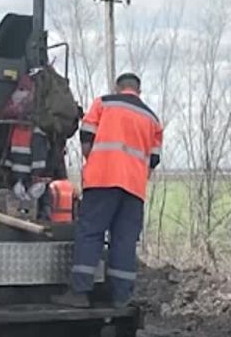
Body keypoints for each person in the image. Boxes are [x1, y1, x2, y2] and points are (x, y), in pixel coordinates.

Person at [52, 72, 163, 309]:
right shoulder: (152, 119)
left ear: (118, 87)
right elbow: (153, 160)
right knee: (124, 240)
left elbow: (86, 138)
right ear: (138, 91)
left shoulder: (104, 103)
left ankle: (80, 292)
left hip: (103, 179)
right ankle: (121, 297)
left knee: (91, 233)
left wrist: (94, 162)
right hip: (134, 188)